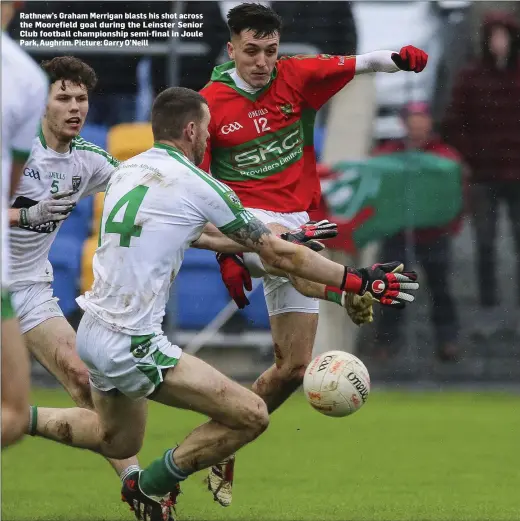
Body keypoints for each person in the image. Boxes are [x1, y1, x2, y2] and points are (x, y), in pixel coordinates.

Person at [26, 86, 419, 521]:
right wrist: (357, 279)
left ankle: (15, 419)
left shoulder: (130, 170)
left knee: (117, 441)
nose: (210, 139)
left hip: (93, 332)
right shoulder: (197, 183)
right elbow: (276, 256)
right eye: (208, 130)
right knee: (251, 416)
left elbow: (201, 235)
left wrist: (283, 242)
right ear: (192, 130)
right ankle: (150, 486)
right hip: (133, 343)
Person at [199, 3, 429, 505]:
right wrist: (227, 254)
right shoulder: (207, 105)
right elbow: (200, 189)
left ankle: (220, 442)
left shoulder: (296, 77)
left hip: (300, 227)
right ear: (232, 47)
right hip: (249, 225)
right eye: (252, 51)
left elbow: (360, 63)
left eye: (270, 51)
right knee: (291, 256)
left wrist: (401, 57)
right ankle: (354, 286)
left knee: (293, 369)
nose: (262, 61)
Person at [8, 56, 140, 478]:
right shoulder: (13, 145)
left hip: (27, 288)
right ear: (41, 103)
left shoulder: (88, 160)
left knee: (85, 380)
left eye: (81, 98)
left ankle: (135, 483)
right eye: (62, 97)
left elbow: (143, 195)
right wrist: (26, 215)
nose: (74, 107)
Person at [372, 102, 462, 363]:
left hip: (434, 234)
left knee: (441, 288)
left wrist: (450, 224)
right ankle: (387, 342)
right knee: (393, 289)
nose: (417, 125)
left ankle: (447, 340)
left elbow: (455, 191)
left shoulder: (444, 155)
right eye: (413, 119)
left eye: (421, 119)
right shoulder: (390, 153)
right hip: (399, 234)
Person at [443, 11, 520, 313]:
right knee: (484, 241)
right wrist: (470, 156)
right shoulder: (471, 77)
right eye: (494, 36)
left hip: (516, 173)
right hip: (484, 174)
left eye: (504, 36)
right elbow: (453, 122)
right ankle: (488, 298)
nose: (499, 43)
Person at [1, 1, 48, 449]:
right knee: (12, 412)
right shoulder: (24, 77)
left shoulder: (28, 77)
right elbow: (11, 187)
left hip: (17, 280)